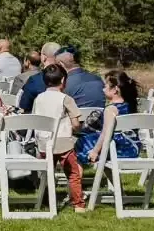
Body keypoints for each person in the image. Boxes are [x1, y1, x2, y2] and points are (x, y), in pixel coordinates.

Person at [31, 63, 86, 211]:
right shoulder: (65, 99)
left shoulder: (38, 98)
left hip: (43, 142)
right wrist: (78, 128)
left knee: (47, 173)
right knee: (73, 173)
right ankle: (78, 205)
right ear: (63, 81)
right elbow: (76, 123)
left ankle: (46, 200)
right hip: (63, 143)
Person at [82, 69, 142, 167]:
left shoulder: (111, 109)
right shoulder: (129, 105)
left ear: (115, 90)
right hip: (133, 148)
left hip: (117, 149)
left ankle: (75, 180)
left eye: (105, 86)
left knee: (81, 144)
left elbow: (105, 133)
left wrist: (95, 151)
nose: (103, 89)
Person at [16, 42, 61, 112]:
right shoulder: (68, 79)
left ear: (44, 58)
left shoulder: (34, 81)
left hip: (38, 121)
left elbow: (23, 107)